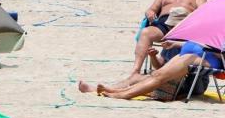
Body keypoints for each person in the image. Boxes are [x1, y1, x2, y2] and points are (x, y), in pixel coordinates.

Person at [129, 0, 206, 76]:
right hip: (163, 23)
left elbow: (203, 11)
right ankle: (135, 71)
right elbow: (151, 9)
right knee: (145, 32)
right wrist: (150, 13)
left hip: (184, 24)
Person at [80, 40, 223, 100]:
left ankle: (122, 94)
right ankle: (119, 91)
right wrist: (176, 43)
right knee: (158, 74)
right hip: (190, 55)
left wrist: (215, 49)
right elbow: (201, 43)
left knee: (159, 77)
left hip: (205, 61)